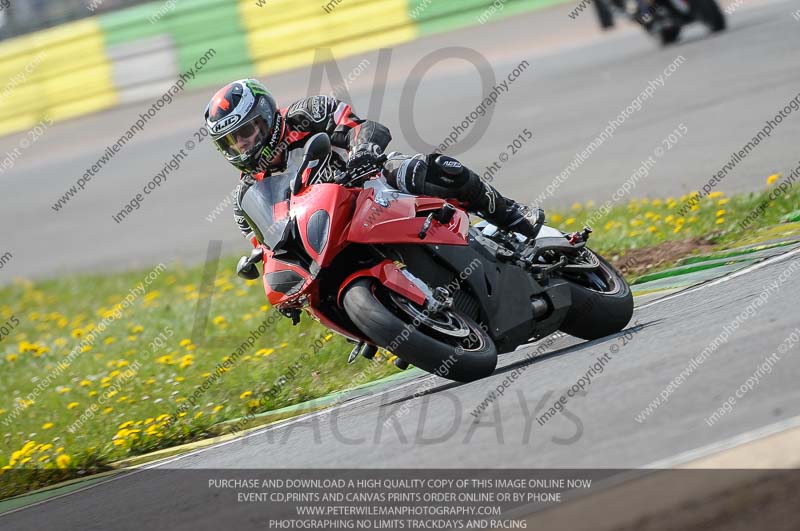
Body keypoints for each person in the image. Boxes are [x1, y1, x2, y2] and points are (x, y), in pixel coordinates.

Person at [204, 78, 543, 265]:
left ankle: (511, 214)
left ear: (266, 116)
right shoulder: (246, 198)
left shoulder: (306, 115)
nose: (243, 146)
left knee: (434, 169)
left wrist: (363, 152)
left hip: (371, 184)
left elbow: (361, 127)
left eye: (246, 133)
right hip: (335, 231)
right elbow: (269, 245)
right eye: (231, 143)